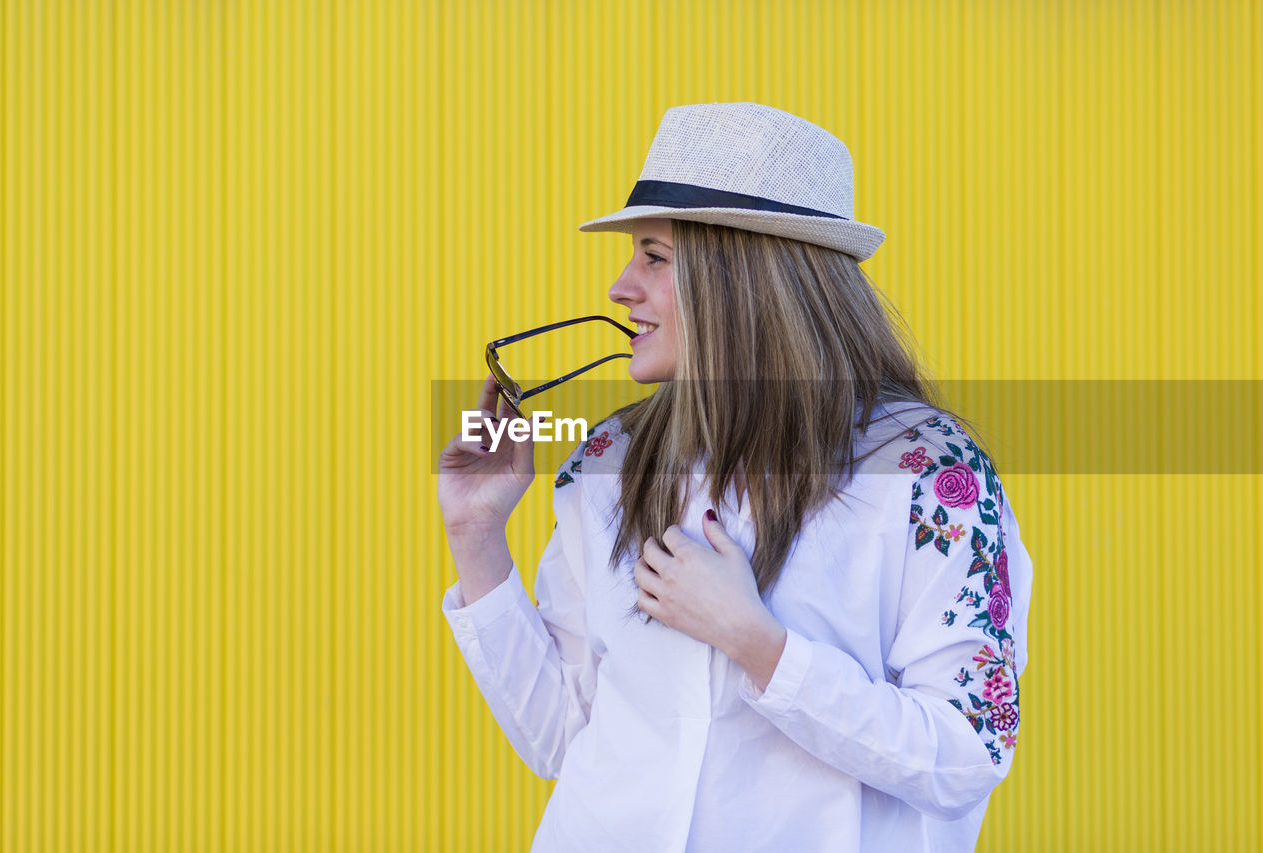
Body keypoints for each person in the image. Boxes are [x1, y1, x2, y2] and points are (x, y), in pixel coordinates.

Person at [437, 102, 1032, 852]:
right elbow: (560, 735)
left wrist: (760, 646)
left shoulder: (932, 476)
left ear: (742, 277)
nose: (621, 288)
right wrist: (477, 534)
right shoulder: (607, 460)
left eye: (653, 256)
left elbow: (967, 752)